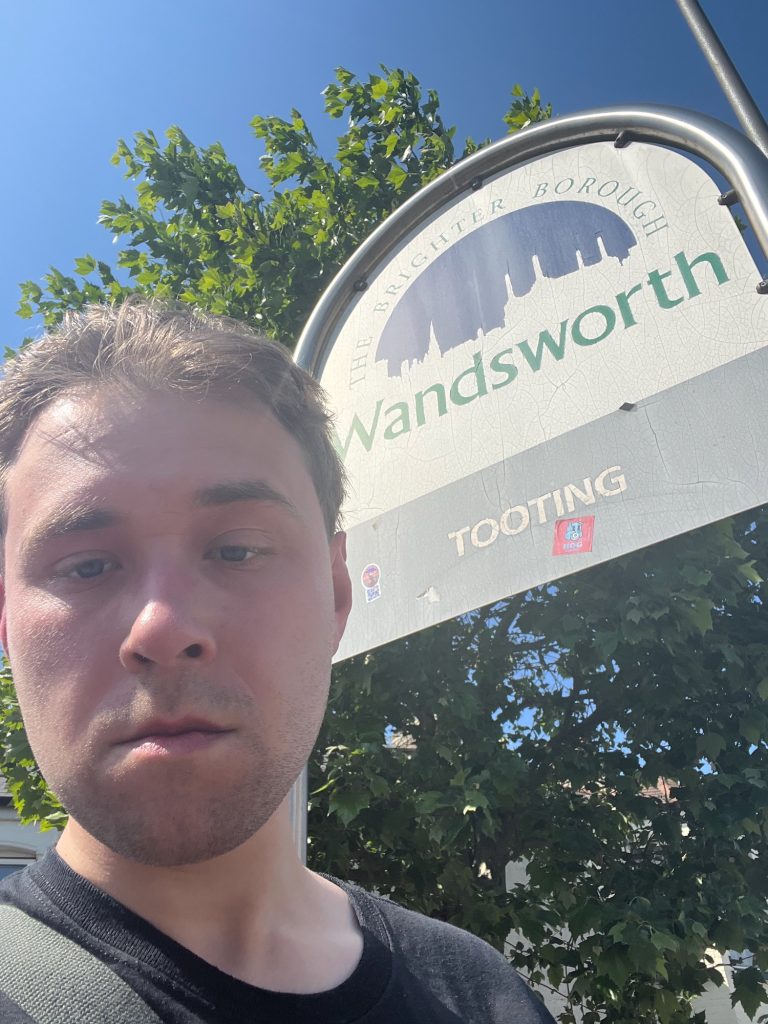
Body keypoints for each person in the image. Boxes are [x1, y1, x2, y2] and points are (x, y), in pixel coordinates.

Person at [0, 301, 555, 1023]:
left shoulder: (487, 997)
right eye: (88, 565)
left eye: (236, 551)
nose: (162, 628)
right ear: (7, 622)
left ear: (334, 593)